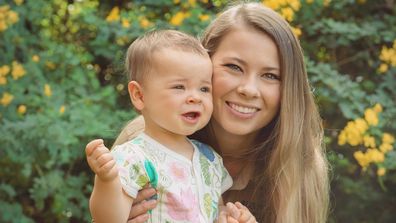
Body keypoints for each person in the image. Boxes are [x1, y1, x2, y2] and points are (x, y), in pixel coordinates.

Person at [114, 2, 330, 223]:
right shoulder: (141, 144)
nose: (248, 89)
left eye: (271, 76)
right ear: (204, 63)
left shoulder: (300, 167)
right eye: (234, 67)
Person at [86, 30, 256, 223]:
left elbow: (212, 210)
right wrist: (107, 181)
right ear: (139, 96)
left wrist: (229, 216)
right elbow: (108, 219)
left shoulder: (209, 158)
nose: (195, 97)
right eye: (179, 87)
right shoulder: (133, 157)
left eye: (204, 88)